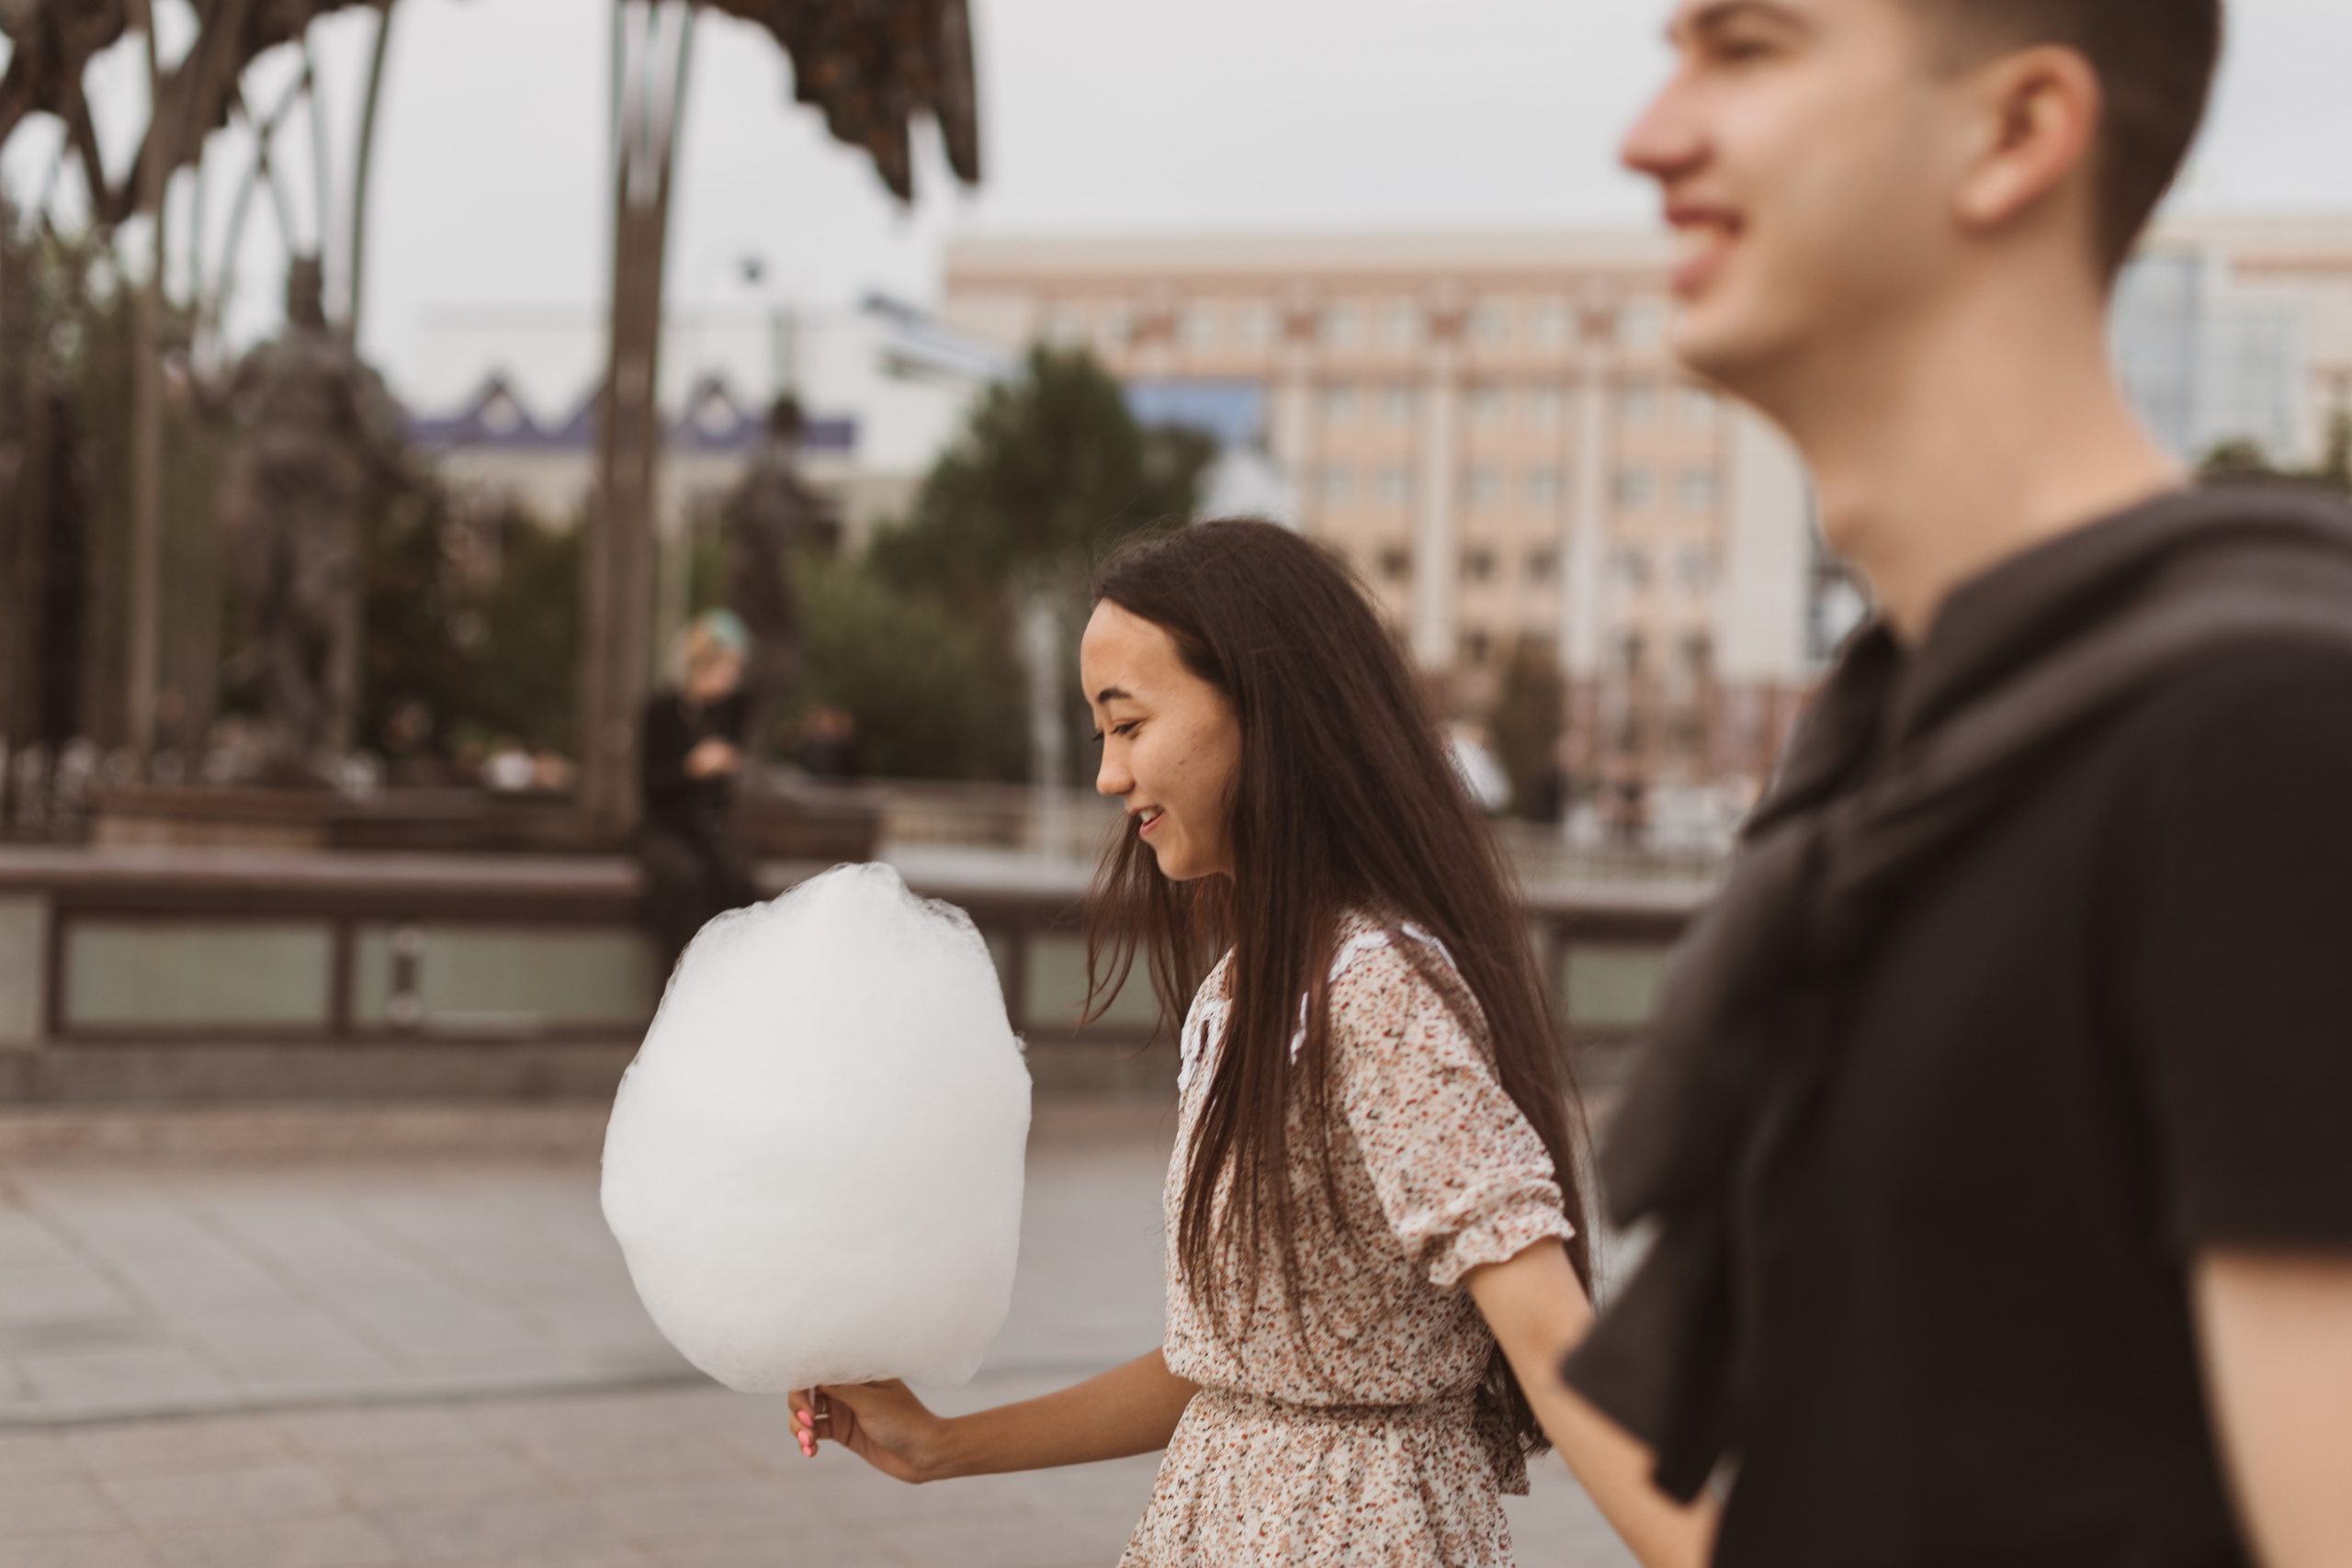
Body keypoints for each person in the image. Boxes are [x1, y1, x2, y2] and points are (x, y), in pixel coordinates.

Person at [1562, 4, 2352, 1566]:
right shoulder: (1910, 748)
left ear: (2017, 132)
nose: (1646, 139)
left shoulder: (2263, 744)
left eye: (1747, 50)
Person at [787, 522, 1712, 1568]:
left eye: (1127, 724)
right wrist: (943, 1447)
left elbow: (1553, 1345)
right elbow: (1237, 1367)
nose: (1108, 774)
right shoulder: (1246, 989)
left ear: (1263, 712)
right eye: (1098, 735)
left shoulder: (1370, 989)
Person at [637, 611, 762, 974]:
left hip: (705, 830)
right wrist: (691, 768)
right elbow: (648, 786)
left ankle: (730, 974)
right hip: (663, 828)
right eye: (724, 668)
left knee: (738, 877)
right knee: (684, 881)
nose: (730, 678)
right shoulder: (661, 710)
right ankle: (680, 979)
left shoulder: (726, 712)